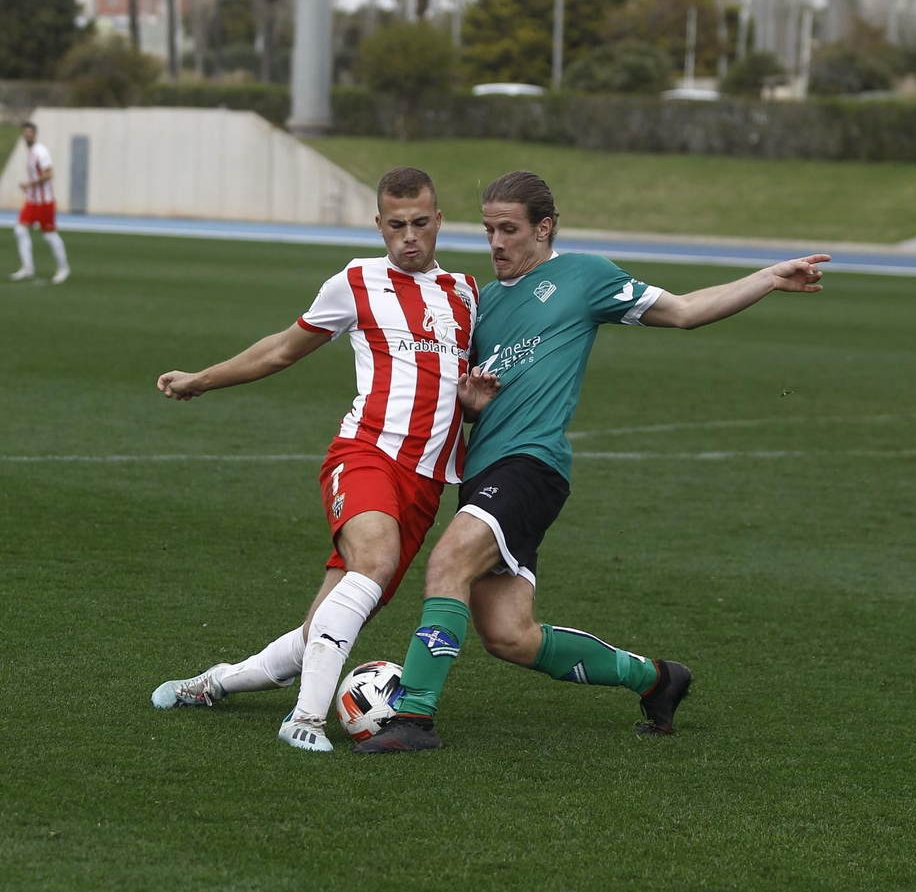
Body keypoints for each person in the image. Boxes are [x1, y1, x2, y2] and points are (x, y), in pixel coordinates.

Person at [353, 170, 831, 754]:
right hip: (485, 472)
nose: (497, 243)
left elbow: (682, 310)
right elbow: (475, 399)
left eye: (509, 230)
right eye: (488, 230)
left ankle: (415, 720)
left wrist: (768, 277)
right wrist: (472, 405)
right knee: (509, 637)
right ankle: (657, 679)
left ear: (545, 227)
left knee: (447, 563)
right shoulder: (479, 301)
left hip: (532, 466)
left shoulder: (584, 277)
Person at [150, 167, 491, 753]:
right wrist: (203, 380)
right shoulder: (356, 282)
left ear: (438, 221)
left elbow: (464, 391)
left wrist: (473, 407)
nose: (408, 237)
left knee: (323, 627)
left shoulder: (465, 293)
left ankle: (213, 684)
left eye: (419, 224)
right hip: (366, 454)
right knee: (375, 559)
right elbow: (283, 349)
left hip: (428, 481)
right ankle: (303, 720)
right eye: (395, 225)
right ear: (378, 225)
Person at [10, 122, 71, 285]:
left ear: (35, 134)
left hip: (45, 201)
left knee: (49, 235)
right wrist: (29, 189)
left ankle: (63, 268)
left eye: (30, 132)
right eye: (25, 132)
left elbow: (49, 174)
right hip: (32, 200)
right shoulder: (29, 152)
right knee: (20, 230)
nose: (27, 135)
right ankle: (28, 267)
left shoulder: (40, 151)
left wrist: (29, 184)